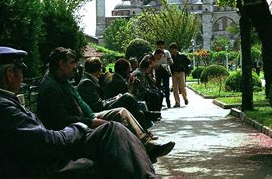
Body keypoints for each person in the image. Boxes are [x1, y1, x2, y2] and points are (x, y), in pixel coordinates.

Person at [0, 46, 155, 178]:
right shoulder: (2, 106)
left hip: (44, 154)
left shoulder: (5, 100)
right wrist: (80, 126)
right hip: (38, 165)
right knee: (109, 137)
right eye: (20, 72)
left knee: (113, 129)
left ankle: (146, 170)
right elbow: (47, 138)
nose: (22, 78)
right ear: (9, 74)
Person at [37, 47, 174, 162]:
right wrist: (91, 121)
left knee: (122, 110)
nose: (76, 66)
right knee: (121, 113)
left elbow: (81, 104)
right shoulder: (52, 87)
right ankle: (144, 149)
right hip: (76, 130)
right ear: (61, 64)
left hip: (89, 116)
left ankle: (146, 145)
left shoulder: (63, 81)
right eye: (72, 63)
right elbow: (62, 120)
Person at [77, 57, 154, 130]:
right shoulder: (87, 82)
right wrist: (116, 98)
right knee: (127, 97)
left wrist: (116, 98)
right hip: (97, 111)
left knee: (127, 98)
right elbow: (98, 105)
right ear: (98, 69)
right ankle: (145, 125)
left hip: (101, 107)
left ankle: (145, 121)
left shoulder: (90, 80)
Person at [131, 51, 164, 118]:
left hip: (144, 90)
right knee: (155, 95)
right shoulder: (138, 73)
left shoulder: (143, 73)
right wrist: (150, 90)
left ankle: (157, 112)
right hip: (140, 93)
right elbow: (142, 87)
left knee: (159, 93)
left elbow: (146, 85)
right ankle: (154, 113)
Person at [169, 43, 191, 107]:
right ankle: (177, 102)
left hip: (181, 72)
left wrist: (184, 68)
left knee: (182, 87)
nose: (172, 50)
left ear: (176, 48)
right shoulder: (171, 56)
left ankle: (185, 98)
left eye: (173, 49)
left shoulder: (182, 55)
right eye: (171, 49)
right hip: (174, 73)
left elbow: (188, 62)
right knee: (175, 88)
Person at [155, 40, 173, 108]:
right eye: (159, 45)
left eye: (162, 45)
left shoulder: (167, 52)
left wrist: (167, 63)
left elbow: (171, 61)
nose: (160, 46)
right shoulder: (155, 53)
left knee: (166, 87)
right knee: (158, 87)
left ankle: (168, 102)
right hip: (158, 71)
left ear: (164, 45)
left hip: (165, 71)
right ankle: (159, 102)